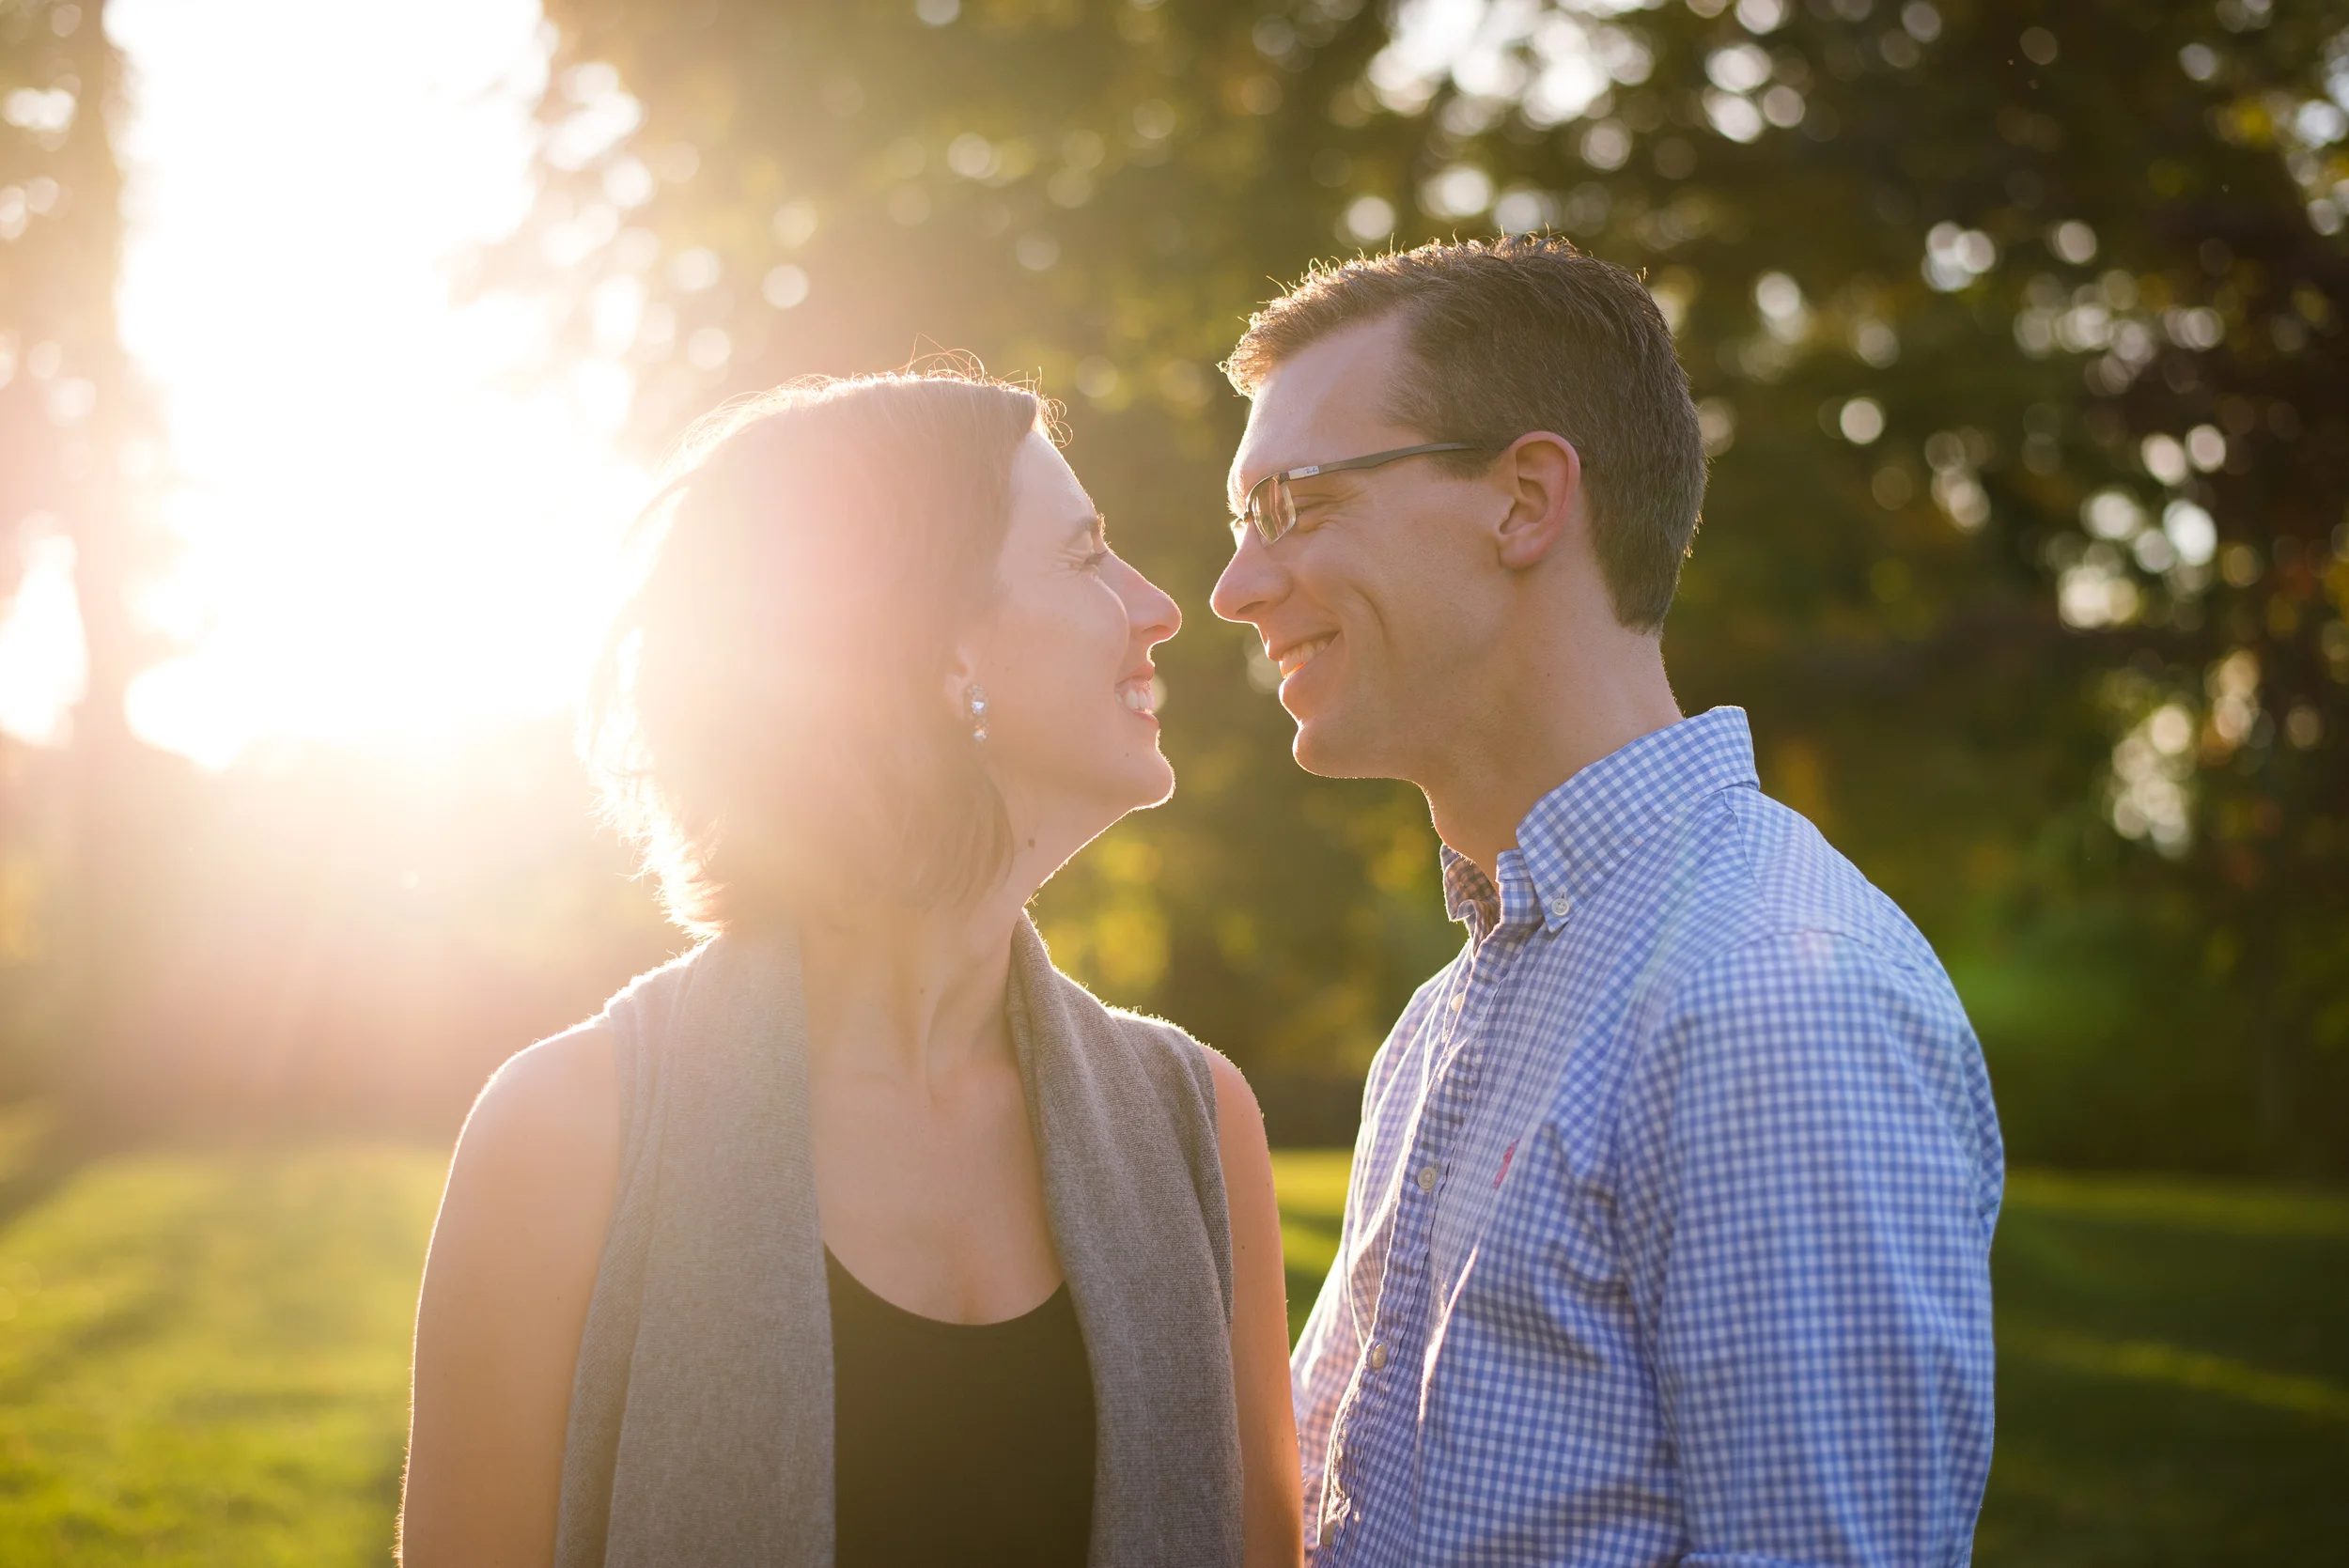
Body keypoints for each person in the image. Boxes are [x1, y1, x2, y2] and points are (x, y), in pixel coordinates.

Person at [401, 370, 1302, 1568]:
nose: (1158, 608)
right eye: (1086, 556)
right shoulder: (567, 1134)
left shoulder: (1197, 1122)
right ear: (931, 651)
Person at [1212, 236, 2003, 1567]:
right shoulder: (1446, 1022)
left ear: (1525, 500)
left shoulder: (1770, 999)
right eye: (1239, 527)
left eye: (1295, 506)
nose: (1236, 590)